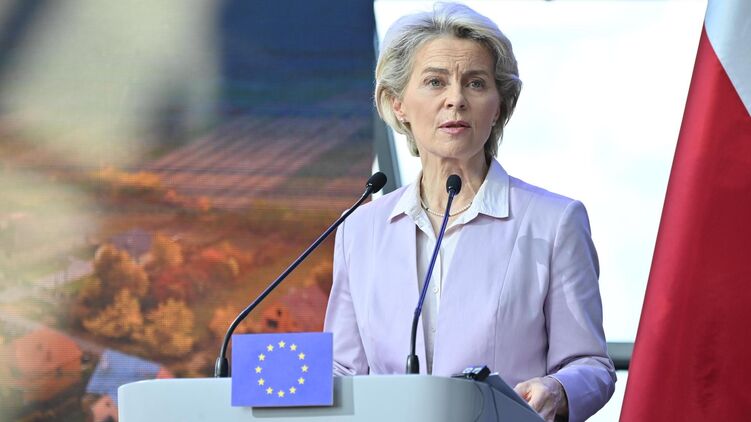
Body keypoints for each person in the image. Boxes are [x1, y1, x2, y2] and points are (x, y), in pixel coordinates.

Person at [323, 3, 616, 421]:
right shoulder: (361, 229)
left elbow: (591, 364)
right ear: (397, 103)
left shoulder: (554, 222)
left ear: (498, 106)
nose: (456, 100)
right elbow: (343, 370)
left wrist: (558, 389)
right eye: (435, 82)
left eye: (476, 83)